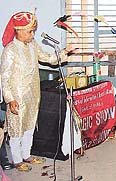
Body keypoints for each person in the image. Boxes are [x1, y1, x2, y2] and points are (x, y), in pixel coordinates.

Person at [0, 12, 74, 172]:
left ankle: (27, 155)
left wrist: (64, 52)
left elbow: (48, 58)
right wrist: (10, 99)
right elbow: (4, 78)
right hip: (17, 96)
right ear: (18, 31)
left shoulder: (33, 45)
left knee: (29, 127)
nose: (32, 34)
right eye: (29, 31)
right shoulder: (10, 50)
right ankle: (17, 160)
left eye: (33, 31)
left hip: (33, 94)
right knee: (16, 130)